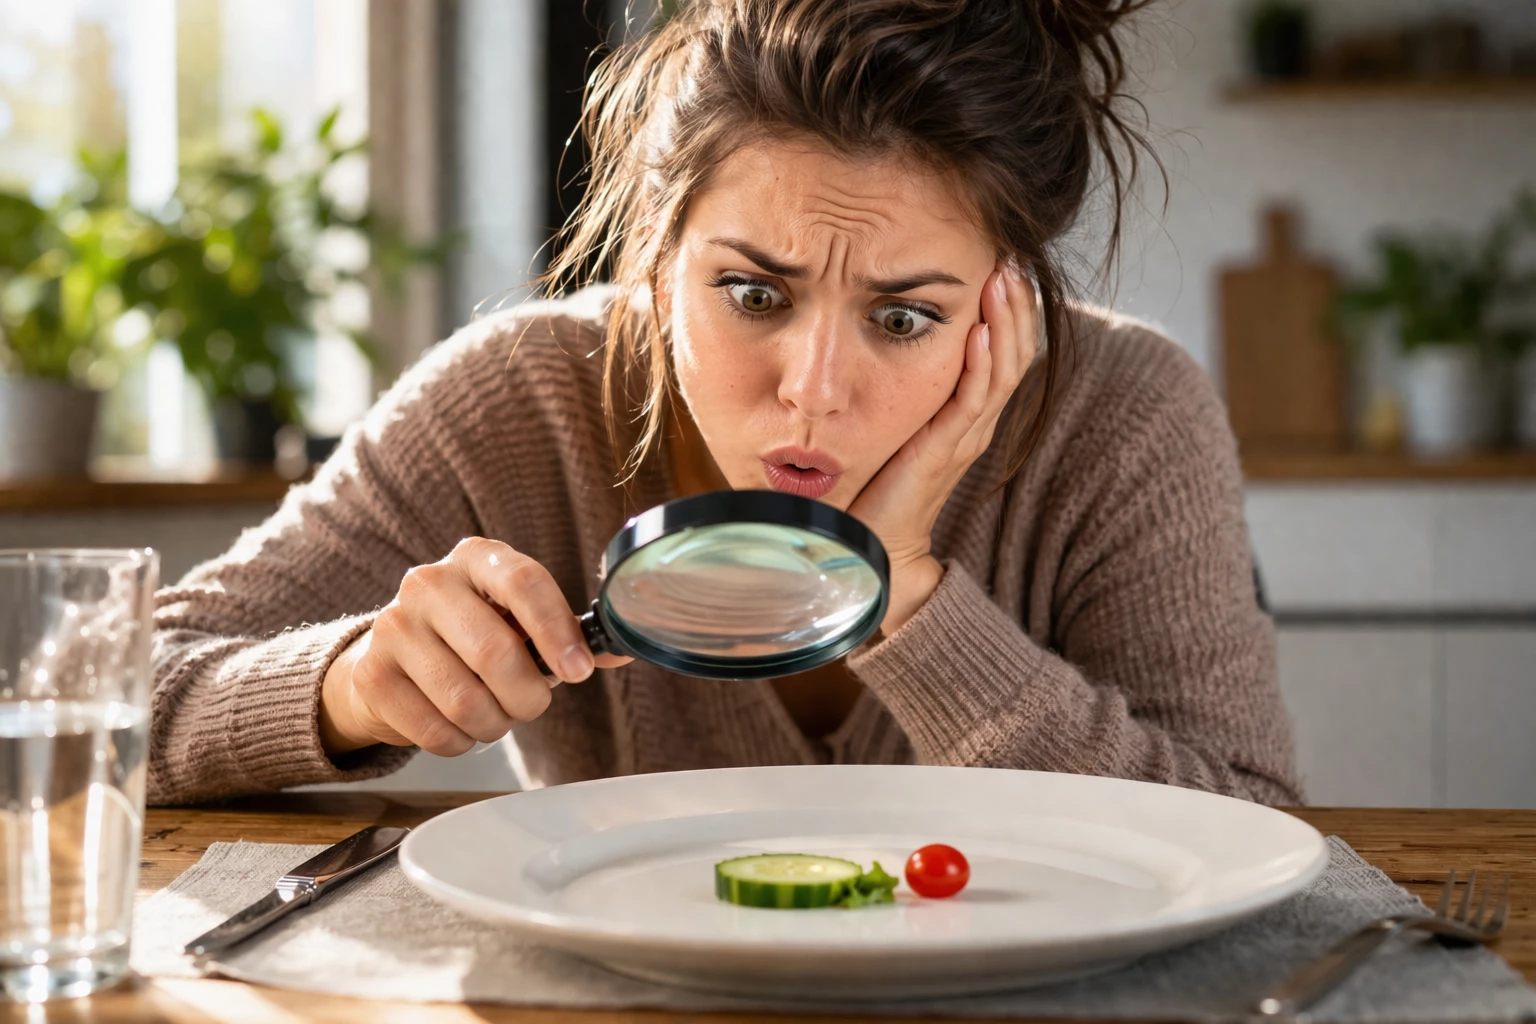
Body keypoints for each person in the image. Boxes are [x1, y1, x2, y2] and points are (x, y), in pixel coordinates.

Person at [148, 0, 1301, 806]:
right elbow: (115, 690)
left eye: (905, 318)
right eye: (753, 294)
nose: (813, 389)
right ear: (655, 262)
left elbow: (1253, 827)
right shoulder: (520, 398)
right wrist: (348, 685)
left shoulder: (1124, 415)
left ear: (1007, 305)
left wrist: (906, 592)